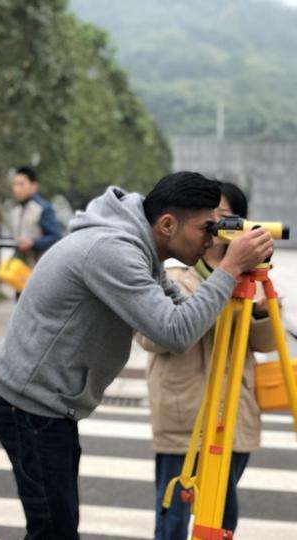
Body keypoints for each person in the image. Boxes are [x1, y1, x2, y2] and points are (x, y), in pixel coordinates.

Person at [0, 171, 274, 540]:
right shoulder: (115, 252)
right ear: (168, 224)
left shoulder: (138, 244)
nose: (212, 239)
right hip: (31, 405)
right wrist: (231, 269)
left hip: (46, 402)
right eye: (206, 228)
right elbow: (175, 332)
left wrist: (233, 282)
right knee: (53, 530)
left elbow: (178, 308)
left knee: (55, 526)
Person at [137, 182, 275, 539]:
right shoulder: (174, 274)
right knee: (173, 519)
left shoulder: (252, 278)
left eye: (225, 217)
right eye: (209, 219)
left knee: (222, 518)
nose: (216, 226)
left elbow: (265, 342)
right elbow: (150, 336)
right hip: (185, 417)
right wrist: (221, 286)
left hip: (233, 416)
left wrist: (259, 310)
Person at [6, 166, 62, 266]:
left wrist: (33, 243)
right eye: (14, 184)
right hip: (20, 269)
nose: (16, 189)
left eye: (21, 184)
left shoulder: (43, 208)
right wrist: (0, 238)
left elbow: (56, 237)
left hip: (39, 268)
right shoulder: (16, 210)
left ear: (34, 186)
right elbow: (17, 237)